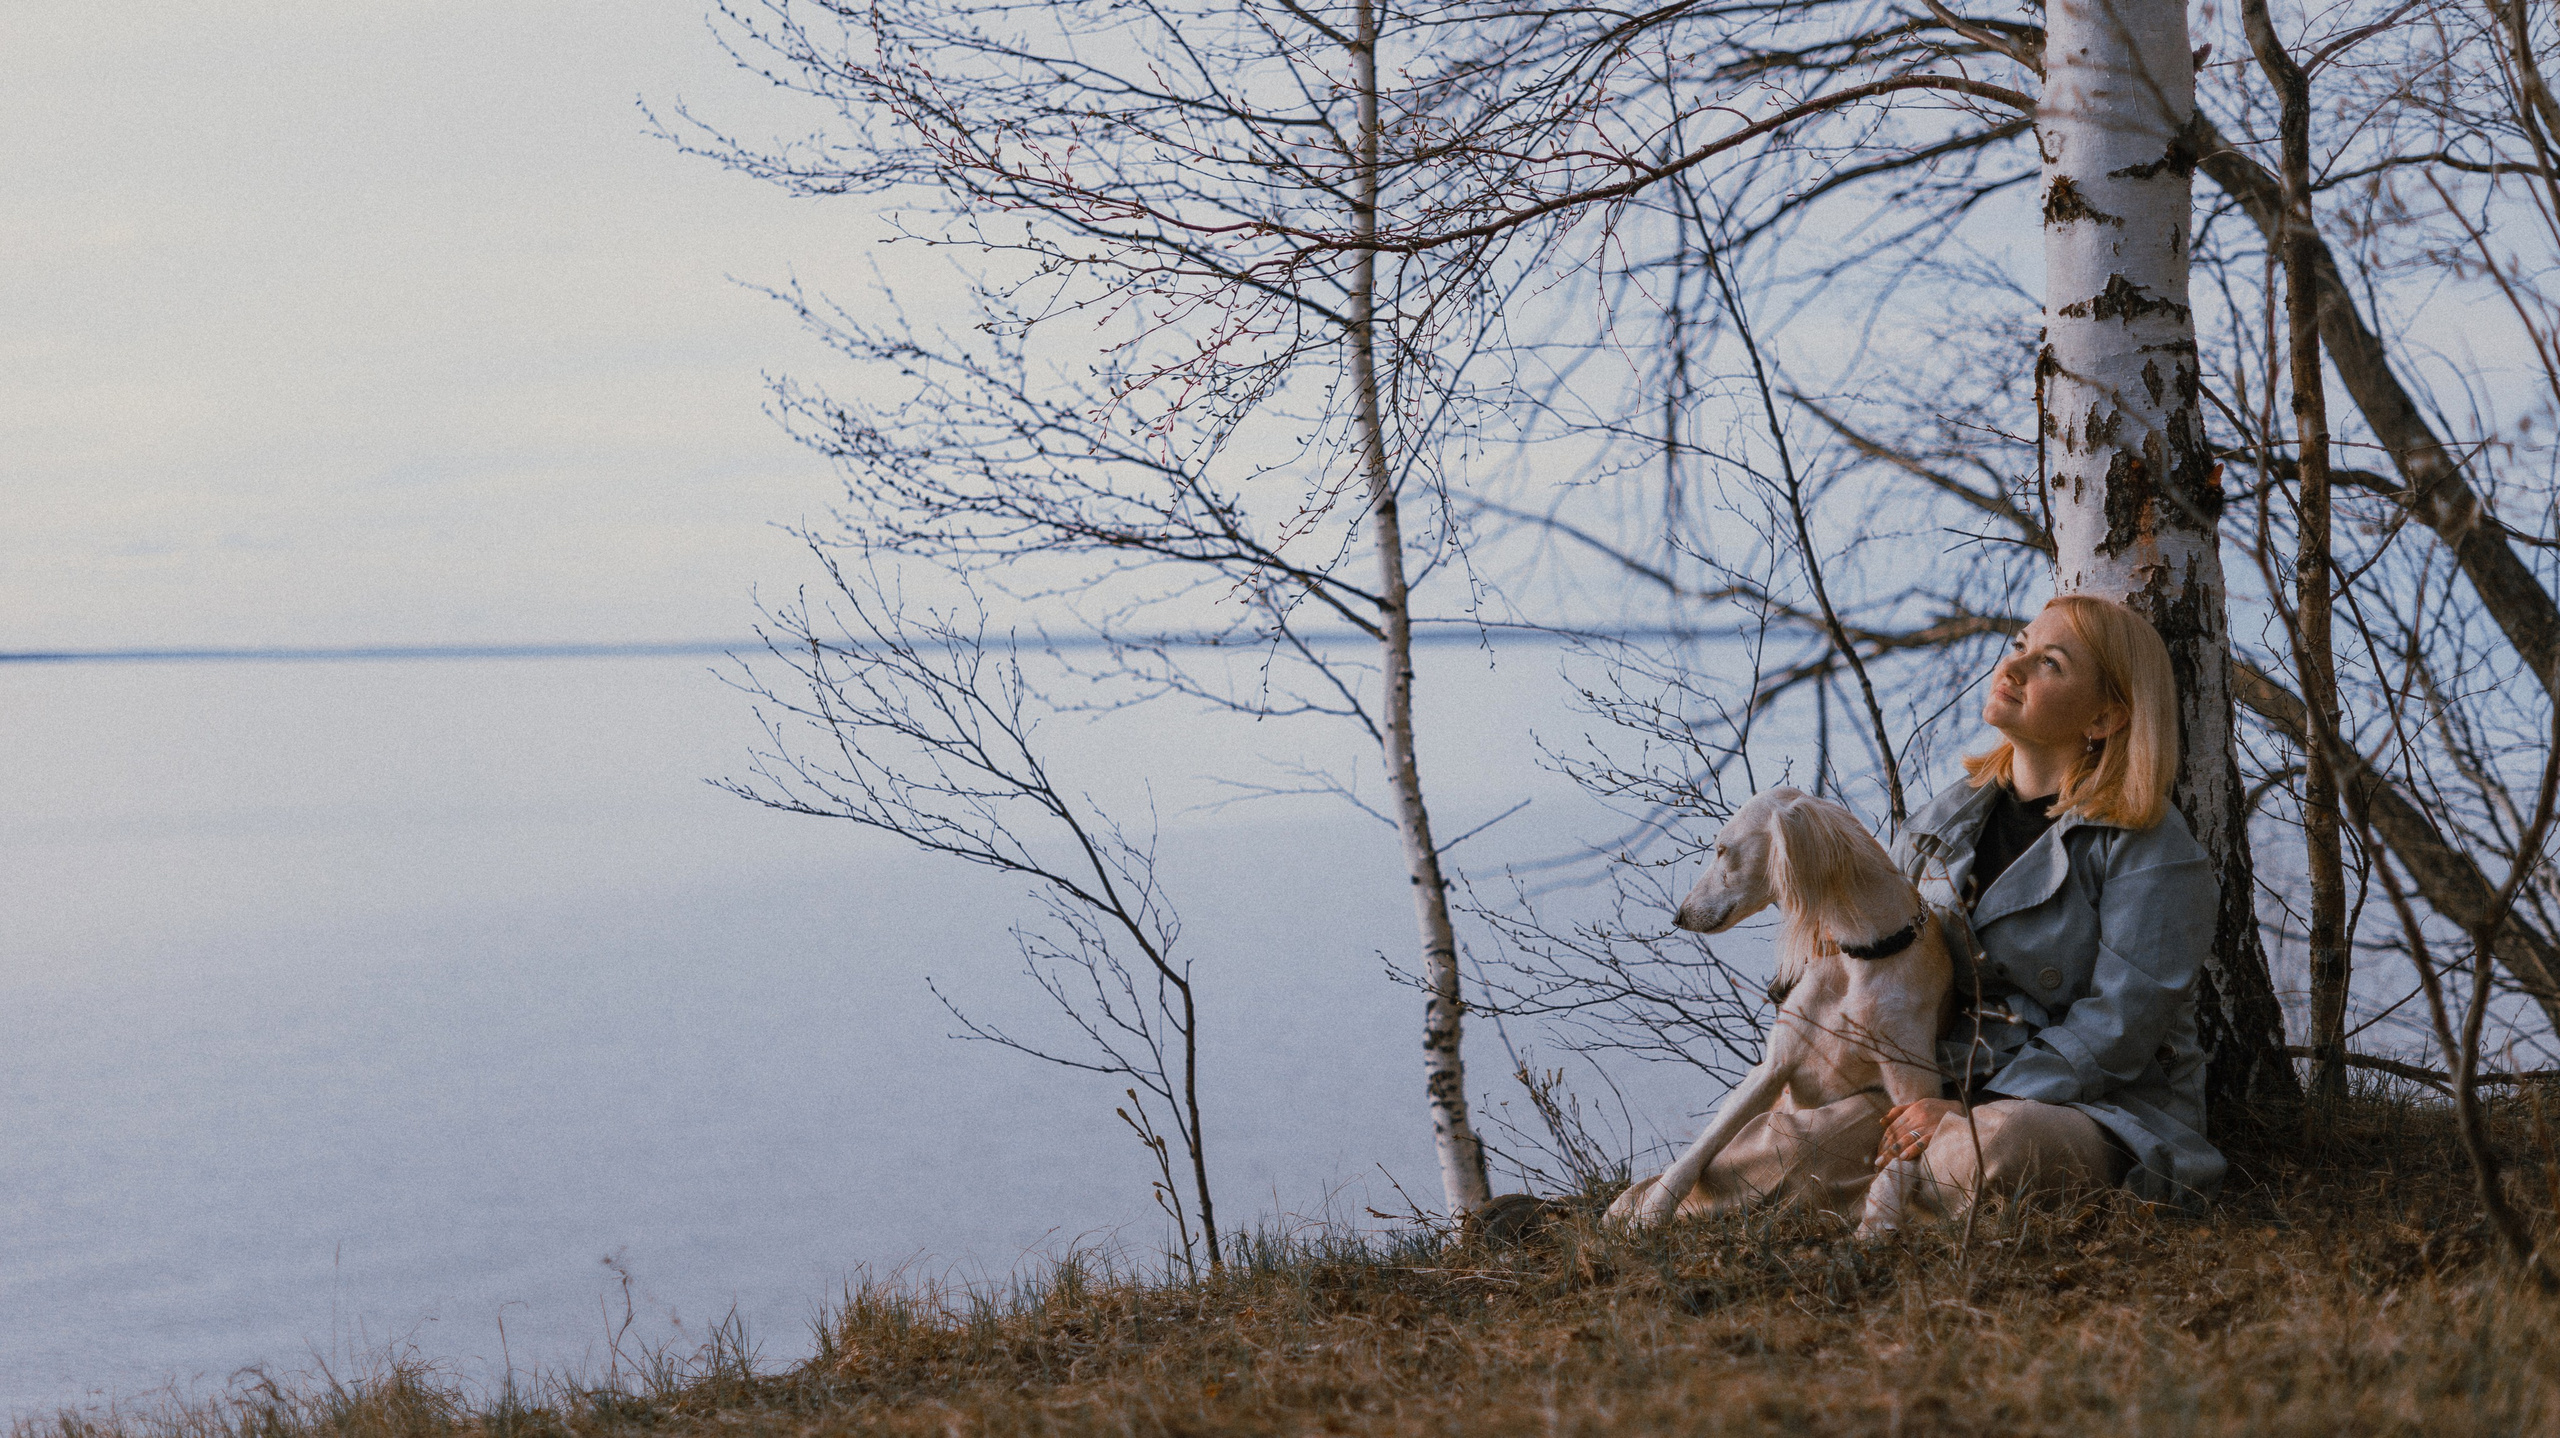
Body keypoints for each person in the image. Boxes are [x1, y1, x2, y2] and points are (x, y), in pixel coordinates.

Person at [1882, 592, 2225, 1214]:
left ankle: (1900, 1214)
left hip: (2100, 1111)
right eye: (2020, 646)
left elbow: (2119, 1028)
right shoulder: (1935, 828)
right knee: (1797, 1140)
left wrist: (1968, 1110)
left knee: (1992, 1148)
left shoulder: (2150, 846)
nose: (2012, 667)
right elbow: (1882, 980)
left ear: (2105, 719)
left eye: (2049, 663)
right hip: (1942, 1087)